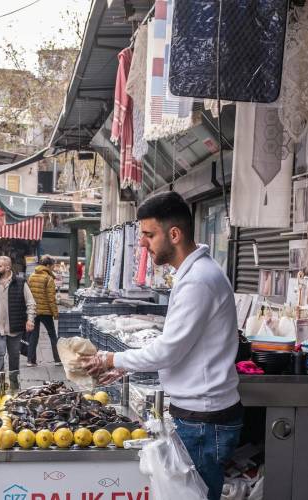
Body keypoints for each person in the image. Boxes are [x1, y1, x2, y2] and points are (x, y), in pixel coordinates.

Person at [81, 191, 241, 500]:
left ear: (175, 234)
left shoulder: (198, 280)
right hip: (199, 417)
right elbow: (184, 348)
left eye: (148, 235)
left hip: (204, 423)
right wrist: (124, 366)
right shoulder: (194, 274)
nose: (141, 243)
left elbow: (169, 350)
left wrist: (113, 360)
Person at [0, 256, 36, 391]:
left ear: (8, 267)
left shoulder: (20, 283)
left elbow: (31, 303)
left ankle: (14, 385)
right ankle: (0, 386)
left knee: (14, 356)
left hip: (15, 327)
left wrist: (30, 319)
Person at [26, 255, 61, 367]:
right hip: (46, 312)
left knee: (33, 336)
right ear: (47, 265)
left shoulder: (31, 276)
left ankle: (30, 361)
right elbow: (51, 298)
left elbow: (28, 295)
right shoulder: (48, 278)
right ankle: (57, 360)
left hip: (34, 311)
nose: (53, 268)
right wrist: (55, 313)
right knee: (52, 335)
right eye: (52, 266)